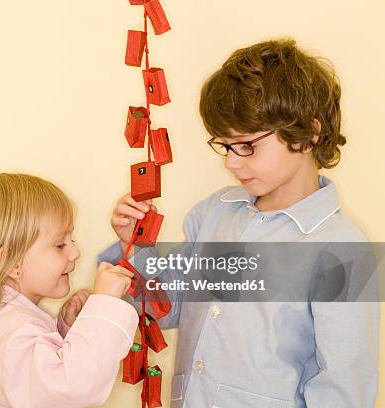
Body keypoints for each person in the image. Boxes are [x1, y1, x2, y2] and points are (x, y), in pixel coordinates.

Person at [99, 38, 379, 407]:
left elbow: (343, 390)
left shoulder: (342, 251)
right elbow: (167, 305)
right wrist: (132, 246)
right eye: (225, 146)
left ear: (309, 134)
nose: (231, 163)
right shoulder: (215, 212)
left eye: (247, 146)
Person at [0, 173, 138, 407]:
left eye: (71, 240)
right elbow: (70, 388)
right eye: (59, 245)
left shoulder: (4, 317)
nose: (75, 253)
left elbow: (33, 383)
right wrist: (105, 305)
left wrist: (64, 331)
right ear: (12, 263)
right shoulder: (14, 330)